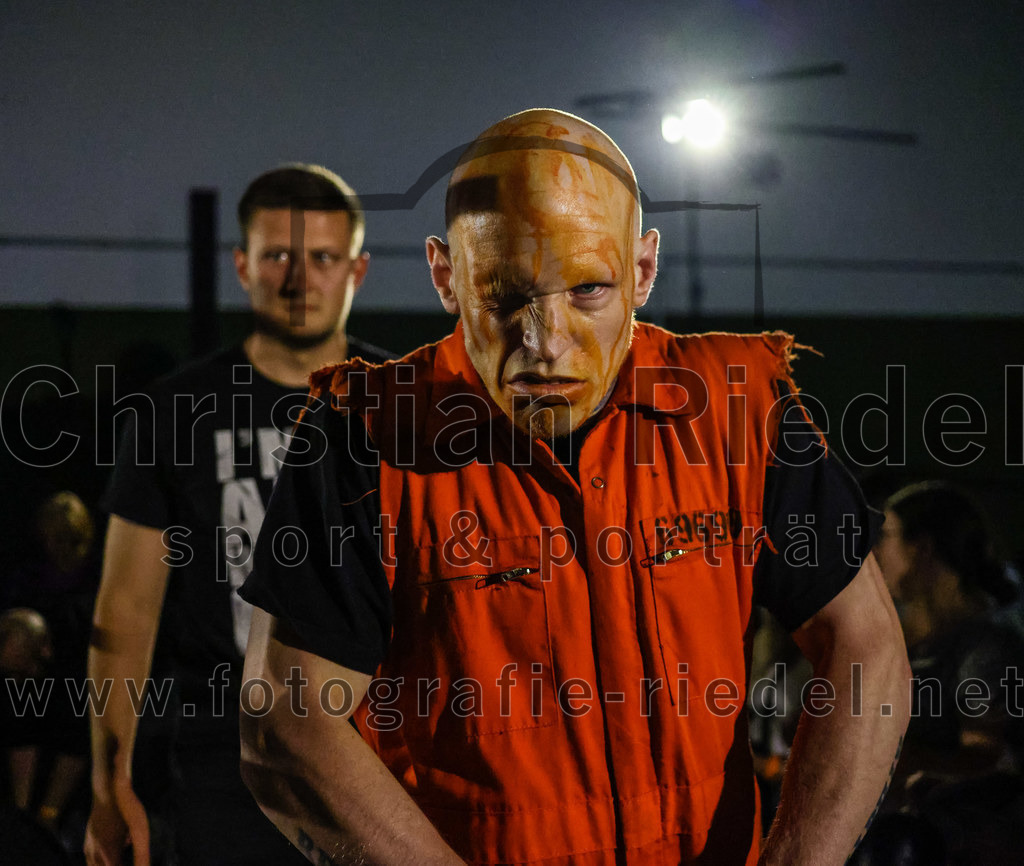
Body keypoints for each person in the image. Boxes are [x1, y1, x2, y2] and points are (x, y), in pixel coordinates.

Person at [239, 110, 910, 865]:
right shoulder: (366, 437)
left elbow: (865, 645)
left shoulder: (736, 409)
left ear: (645, 269)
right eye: (502, 297)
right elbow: (287, 726)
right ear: (444, 276)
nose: (545, 342)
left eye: (589, 290)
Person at [84, 164, 390, 866]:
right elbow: (126, 611)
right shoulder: (172, 412)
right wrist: (109, 783)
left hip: (380, 748)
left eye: (322, 258)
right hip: (227, 754)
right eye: (279, 256)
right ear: (243, 265)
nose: (299, 279)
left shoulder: (408, 404)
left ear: (358, 271)